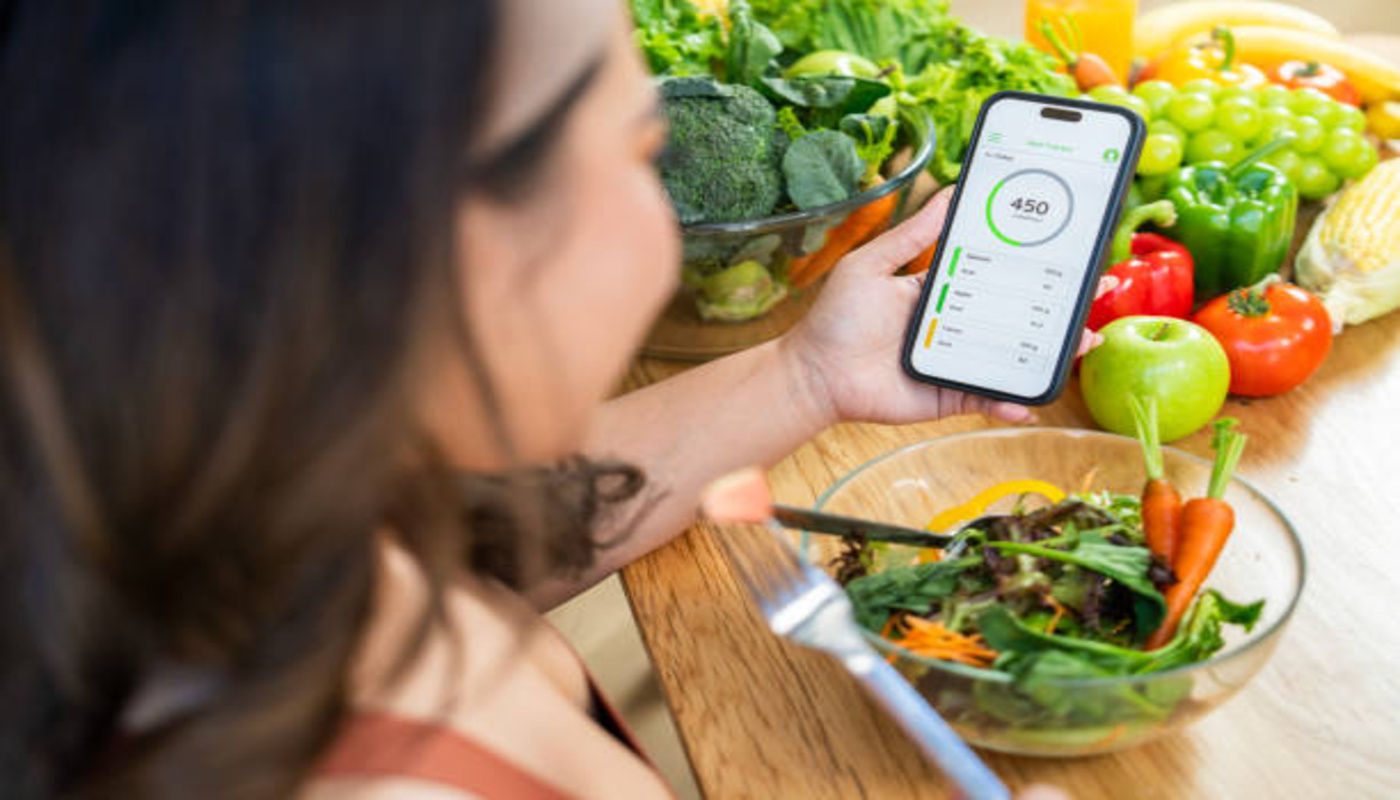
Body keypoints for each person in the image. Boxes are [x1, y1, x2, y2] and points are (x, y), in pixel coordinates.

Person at [0, 1, 1096, 797]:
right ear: (429, 243)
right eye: (638, 146)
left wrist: (808, 373)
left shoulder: (223, 515)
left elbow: (474, 539)